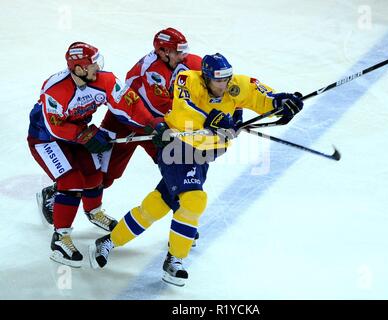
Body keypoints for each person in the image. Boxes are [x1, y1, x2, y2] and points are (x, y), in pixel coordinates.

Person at [88, 53, 303, 286]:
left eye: (227, 78)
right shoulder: (187, 80)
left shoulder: (237, 85)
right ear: (206, 78)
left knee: (157, 205)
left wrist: (281, 102)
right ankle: (174, 260)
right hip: (176, 148)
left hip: (202, 155)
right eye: (219, 80)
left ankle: (109, 241)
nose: (224, 84)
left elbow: (262, 96)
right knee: (194, 200)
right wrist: (213, 118)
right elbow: (183, 108)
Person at [36, 29, 204, 242]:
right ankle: (57, 191)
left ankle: (183, 220)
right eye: (178, 51)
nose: (184, 56)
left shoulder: (193, 64)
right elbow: (137, 105)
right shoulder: (148, 70)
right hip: (124, 122)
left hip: (156, 124)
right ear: (163, 51)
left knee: (178, 164)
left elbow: (215, 87)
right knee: (102, 175)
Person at [27, 41, 161, 267]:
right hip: (45, 138)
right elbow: (55, 127)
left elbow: (129, 103)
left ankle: (93, 211)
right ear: (78, 69)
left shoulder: (105, 80)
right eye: (92, 65)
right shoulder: (55, 89)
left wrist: (151, 124)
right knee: (71, 181)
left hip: (78, 133)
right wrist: (85, 136)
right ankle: (60, 238)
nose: (97, 68)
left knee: (94, 173)